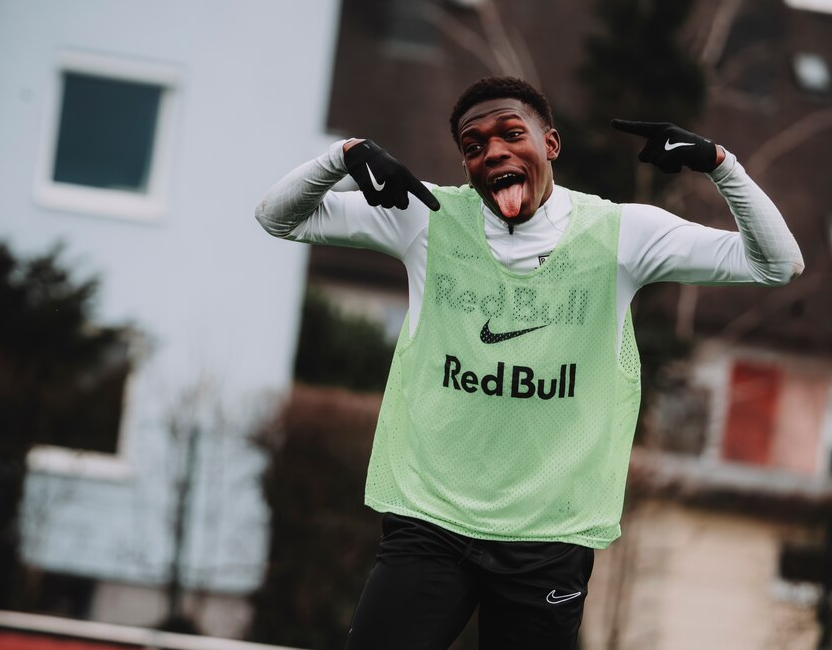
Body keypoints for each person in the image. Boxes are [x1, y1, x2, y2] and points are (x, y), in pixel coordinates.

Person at [255, 76, 803, 650]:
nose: (492, 151)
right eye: (473, 146)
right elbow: (278, 217)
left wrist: (721, 164)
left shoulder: (623, 235)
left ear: (551, 145)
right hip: (430, 522)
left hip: (548, 538)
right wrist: (341, 158)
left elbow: (777, 263)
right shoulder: (426, 218)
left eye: (512, 134)